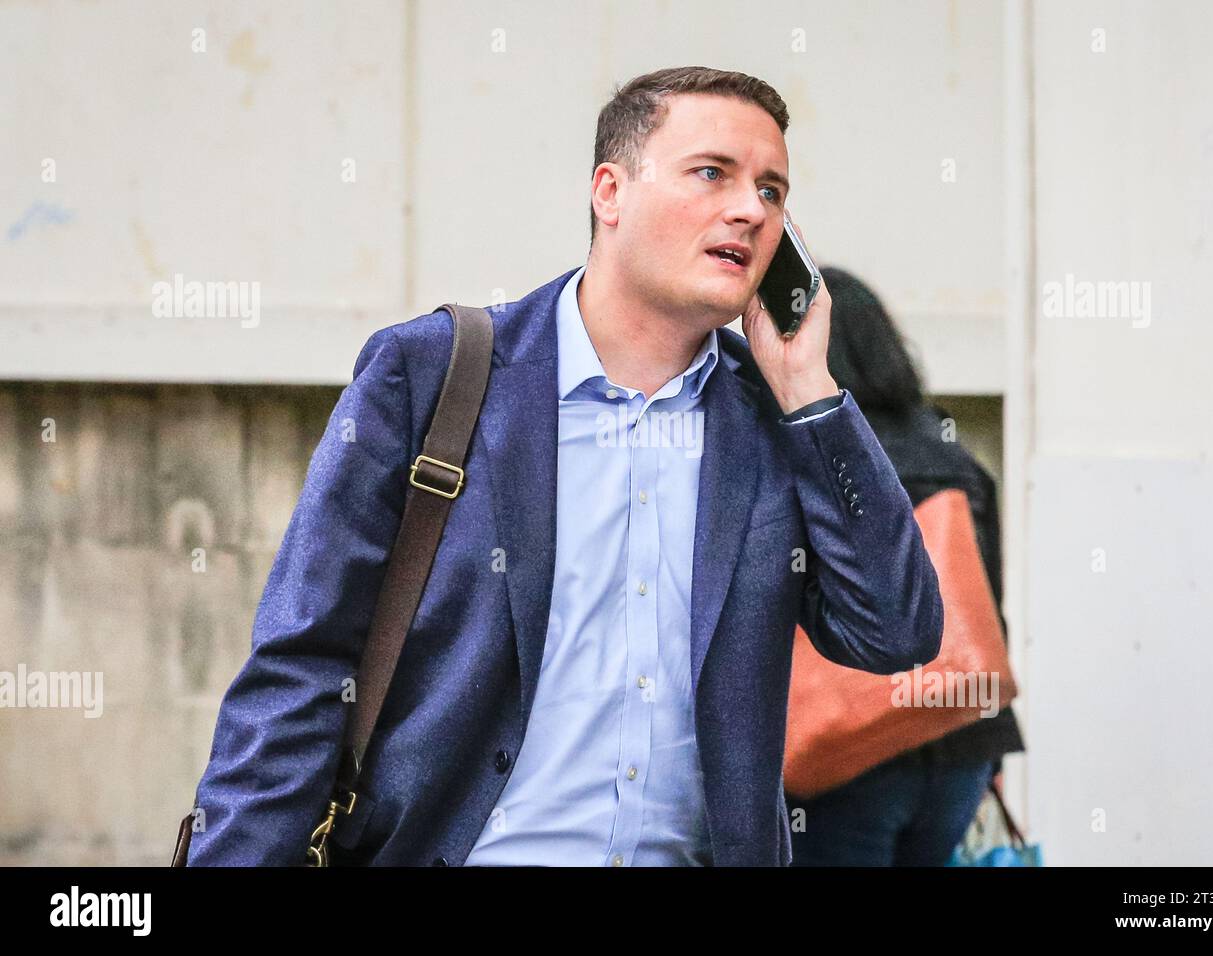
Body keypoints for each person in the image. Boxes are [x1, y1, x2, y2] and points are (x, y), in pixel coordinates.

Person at [184, 66, 943, 867]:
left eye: (773, 190)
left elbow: (894, 631)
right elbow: (303, 661)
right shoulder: (437, 376)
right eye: (713, 173)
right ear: (609, 193)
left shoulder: (772, 420)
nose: (751, 208)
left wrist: (810, 392)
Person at [786, 266, 1027, 866]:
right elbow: (989, 612)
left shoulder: (824, 450)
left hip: (845, 750)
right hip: (959, 746)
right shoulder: (951, 453)